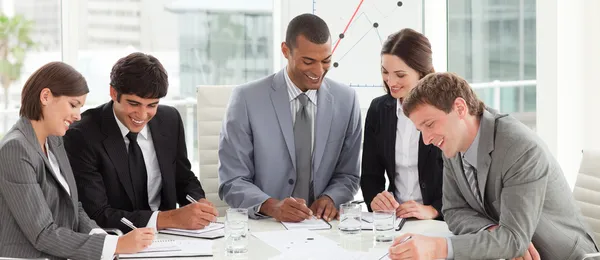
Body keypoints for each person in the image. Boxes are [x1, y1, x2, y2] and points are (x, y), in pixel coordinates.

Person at [387, 72, 599, 260]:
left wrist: (438, 248)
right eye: (420, 130)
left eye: (430, 124)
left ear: (459, 108)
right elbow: (453, 211)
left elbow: (514, 240)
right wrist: (492, 231)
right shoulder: (452, 144)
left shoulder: (520, 148)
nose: (426, 140)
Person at [0, 62, 154, 259]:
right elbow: (42, 234)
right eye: (73, 105)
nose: (78, 116)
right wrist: (115, 245)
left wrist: (105, 238)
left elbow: (74, 206)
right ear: (45, 96)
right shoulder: (16, 149)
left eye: (80, 107)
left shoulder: (54, 140)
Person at [218, 13, 362, 222]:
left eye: (326, 61)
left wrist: (331, 198)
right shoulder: (246, 99)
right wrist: (272, 206)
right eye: (308, 61)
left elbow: (348, 174)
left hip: (323, 226)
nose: (318, 71)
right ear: (286, 50)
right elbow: (232, 180)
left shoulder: (347, 100)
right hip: (266, 225)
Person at [64, 53, 217, 233]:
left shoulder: (170, 120)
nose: (142, 115)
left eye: (152, 105)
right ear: (114, 93)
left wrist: (198, 203)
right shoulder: (82, 135)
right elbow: (96, 213)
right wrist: (168, 218)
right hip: (120, 240)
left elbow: (183, 178)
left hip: (172, 237)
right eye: (134, 104)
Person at [360, 28, 444, 220]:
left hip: (440, 220)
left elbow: (465, 182)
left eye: (400, 74)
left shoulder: (444, 110)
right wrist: (375, 198)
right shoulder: (378, 109)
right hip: (395, 219)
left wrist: (433, 209)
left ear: (421, 72)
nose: (391, 82)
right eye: (385, 72)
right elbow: (370, 176)